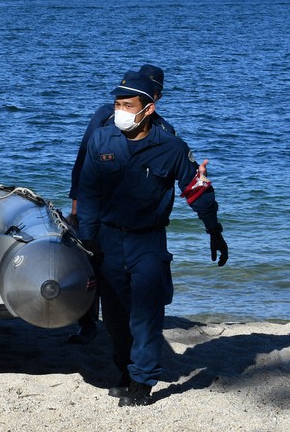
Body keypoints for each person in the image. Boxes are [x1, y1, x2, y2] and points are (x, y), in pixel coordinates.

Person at [76, 70, 228, 406]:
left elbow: (195, 190)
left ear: (148, 109)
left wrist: (214, 231)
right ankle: (123, 370)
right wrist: (87, 240)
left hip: (148, 242)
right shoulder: (102, 141)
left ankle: (142, 382)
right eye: (117, 104)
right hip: (108, 240)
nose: (120, 111)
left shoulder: (171, 147)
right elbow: (87, 195)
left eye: (127, 105)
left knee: (146, 315)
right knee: (115, 317)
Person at [66, 64, 174, 344]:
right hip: (97, 207)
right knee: (90, 264)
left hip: (131, 221)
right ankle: (87, 323)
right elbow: (83, 160)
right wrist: (77, 200)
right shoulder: (105, 115)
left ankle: (126, 328)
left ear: (157, 97)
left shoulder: (164, 130)